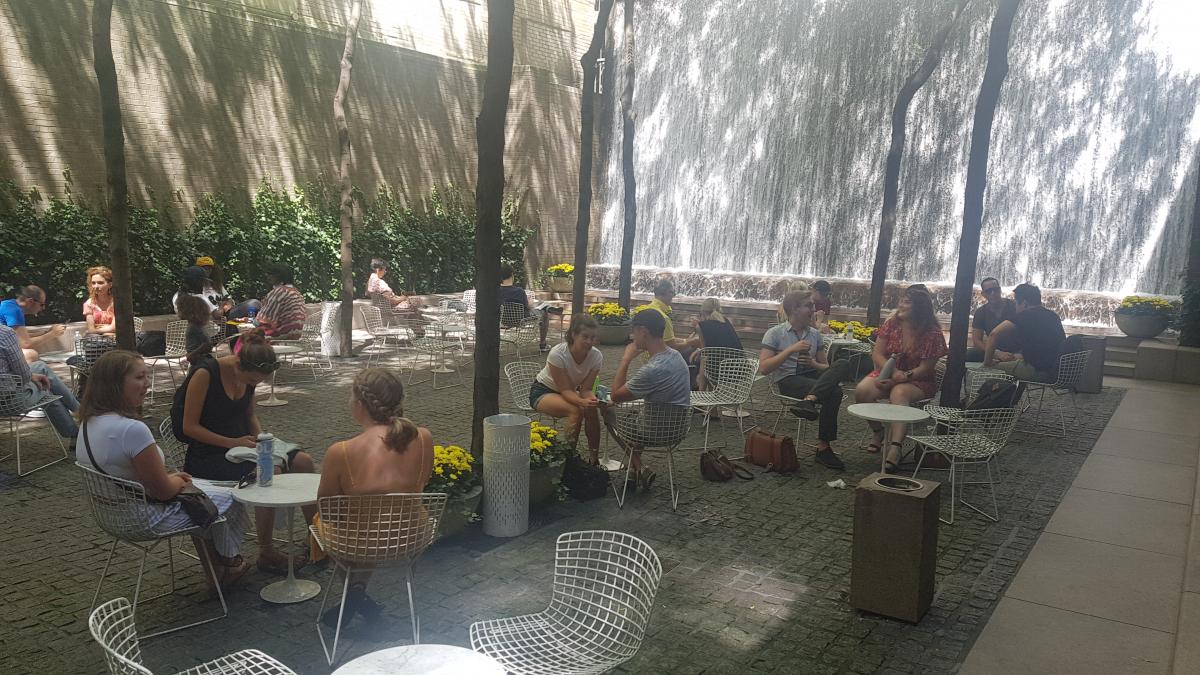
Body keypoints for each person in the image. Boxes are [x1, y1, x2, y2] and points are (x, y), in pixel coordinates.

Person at [76, 350, 250, 589]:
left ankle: (218, 568)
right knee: (229, 497)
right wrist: (177, 481)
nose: (146, 384)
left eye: (146, 377)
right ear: (115, 384)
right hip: (143, 516)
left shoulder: (87, 424)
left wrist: (174, 480)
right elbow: (164, 492)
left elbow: (138, 479)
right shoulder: (131, 430)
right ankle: (228, 561)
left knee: (203, 495)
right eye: (139, 378)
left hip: (112, 512)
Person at [173, 330, 317, 574]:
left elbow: (250, 416)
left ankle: (317, 537)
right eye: (252, 382)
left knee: (304, 461)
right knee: (270, 470)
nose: (253, 386)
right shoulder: (205, 374)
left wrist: (262, 441)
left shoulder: (249, 375)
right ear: (239, 365)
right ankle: (266, 550)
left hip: (242, 444)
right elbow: (189, 427)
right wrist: (232, 442)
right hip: (208, 454)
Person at [313, 368, 434, 624]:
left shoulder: (341, 451)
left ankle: (353, 592)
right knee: (376, 521)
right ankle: (357, 591)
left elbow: (327, 511)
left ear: (359, 405)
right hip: (411, 535)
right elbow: (423, 482)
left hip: (361, 543)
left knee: (325, 524)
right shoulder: (423, 438)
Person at [854, 286, 948, 472]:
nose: (900, 305)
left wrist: (900, 378)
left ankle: (895, 448)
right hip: (889, 372)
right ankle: (878, 432)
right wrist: (893, 372)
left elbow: (926, 368)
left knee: (899, 393)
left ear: (919, 308)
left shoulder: (933, 333)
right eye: (902, 301)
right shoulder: (892, 324)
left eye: (906, 302)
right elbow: (877, 353)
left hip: (917, 380)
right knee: (862, 390)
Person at [758, 290, 847, 471]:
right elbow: (764, 368)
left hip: (813, 378)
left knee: (844, 363)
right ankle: (824, 448)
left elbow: (826, 367)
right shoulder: (774, 334)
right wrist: (790, 350)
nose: (813, 310)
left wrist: (814, 364)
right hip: (788, 380)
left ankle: (809, 400)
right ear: (794, 309)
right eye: (809, 306)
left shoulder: (814, 334)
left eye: (812, 305)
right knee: (835, 392)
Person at [603, 308, 691, 491]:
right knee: (637, 414)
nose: (632, 336)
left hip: (654, 431)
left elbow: (616, 395)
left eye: (633, 332)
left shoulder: (653, 369)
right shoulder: (676, 356)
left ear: (644, 332)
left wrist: (626, 359)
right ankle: (635, 473)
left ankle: (639, 466)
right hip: (678, 429)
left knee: (607, 409)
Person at [531, 313, 603, 463]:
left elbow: (586, 389)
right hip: (544, 391)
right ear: (574, 335)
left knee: (591, 409)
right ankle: (569, 458)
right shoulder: (558, 354)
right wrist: (581, 402)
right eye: (585, 337)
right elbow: (566, 390)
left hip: (570, 391)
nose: (589, 342)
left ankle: (594, 457)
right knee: (576, 410)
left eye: (593, 338)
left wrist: (591, 400)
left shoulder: (596, 356)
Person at [0, 324, 78, 441]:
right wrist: (30, 376)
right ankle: (78, 421)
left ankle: (77, 420)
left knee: (40, 368)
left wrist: (31, 375)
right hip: (9, 401)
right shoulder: (5, 333)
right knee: (45, 388)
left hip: (5, 393)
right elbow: (23, 373)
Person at [985, 283, 1065, 382]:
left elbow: (993, 335)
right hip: (1055, 371)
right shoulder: (1053, 316)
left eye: (1016, 303)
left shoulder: (1025, 316)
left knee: (989, 369)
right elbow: (1046, 347)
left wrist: (987, 363)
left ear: (1024, 303)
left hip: (1036, 371)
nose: (1015, 307)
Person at [686, 298, 743, 390]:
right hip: (738, 369)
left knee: (701, 361)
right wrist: (700, 351)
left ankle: (700, 393)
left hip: (719, 371)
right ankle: (711, 393)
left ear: (703, 312)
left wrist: (698, 351)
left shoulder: (701, 326)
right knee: (707, 359)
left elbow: (705, 353)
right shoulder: (726, 321)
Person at [1, 285, 67, 363]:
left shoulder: (9, 304)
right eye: (42, 304)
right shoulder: (15, 311)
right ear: (30, 301)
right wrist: (53, 334)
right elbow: (25, 343)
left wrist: (45, 332)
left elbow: (18, 336)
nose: (43, 308)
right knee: (31, 355)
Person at [498, 262, 550, 351]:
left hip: (503, 320)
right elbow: (527, 307)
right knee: (544, 312)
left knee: (539, 306)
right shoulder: (519, 291)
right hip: (521, 320)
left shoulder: (496, 291)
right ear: (512, 275)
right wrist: (530, 302)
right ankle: (543, 344)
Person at [966, 277, 1016, 362]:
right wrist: (995, 353)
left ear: (1000, 290)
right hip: (992, 351)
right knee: (965, 355)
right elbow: (977, 340)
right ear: (983, 294)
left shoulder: (1014, 307)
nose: (993, 293)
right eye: (989, 291)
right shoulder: (981, 312)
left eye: (995, 290)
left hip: (1016, 350)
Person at [195, 256, 259, 320]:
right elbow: (217, 315)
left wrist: (227, 305)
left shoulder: (216, 284)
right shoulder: (197, 289)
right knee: (254, 303)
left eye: (209, 268)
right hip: (215, 318)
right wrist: (222, 306)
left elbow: (229, 299)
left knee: (255, 304)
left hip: (227, 313)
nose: (207, 270)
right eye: (204, 268)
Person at [256, 263, 307, 339]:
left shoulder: (279, 292)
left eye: (271, 274)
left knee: (245, 337)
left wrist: (250, 322)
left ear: (279, 276)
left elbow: (263, 320)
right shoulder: (296, 292)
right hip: (296, 334)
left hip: (280, 335)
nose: (267, 276)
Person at [644, 277, 689, 352]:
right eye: (671, 292)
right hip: (660, 358)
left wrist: (685, 340)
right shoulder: (664, 318)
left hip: (647, 355)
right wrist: (690, 343)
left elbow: (666, 339)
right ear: (662, 293)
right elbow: (671, 346)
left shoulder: (647, 308)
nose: (673, 295)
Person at [175, 294, 214, 363]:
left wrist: (191, 354)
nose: (177, 312)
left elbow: (207, 343)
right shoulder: (194, 325)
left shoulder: (194, 326)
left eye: (179, 310)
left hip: (200, 360)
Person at [82, 266, 116, 335]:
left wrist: (96, 329)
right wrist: (108, 328)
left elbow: (114, 328)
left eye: (100, 283)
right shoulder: (89, 304)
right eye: (93, 283)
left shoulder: (117, 302)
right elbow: (91, 329)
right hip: (97, 341)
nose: (96, 286)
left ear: (110, 284)